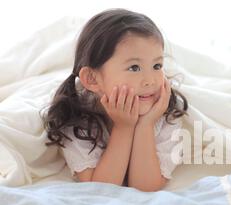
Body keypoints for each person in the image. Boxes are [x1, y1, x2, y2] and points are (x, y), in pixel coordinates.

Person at [41, 8, 188, 191]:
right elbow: (101, 188)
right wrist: (123, 127)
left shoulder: (165, 108)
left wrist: (145, 124)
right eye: (134, 68)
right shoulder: (76, 116)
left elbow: (146, 187)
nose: (150, 81)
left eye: (157, 65)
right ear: (93, 79)